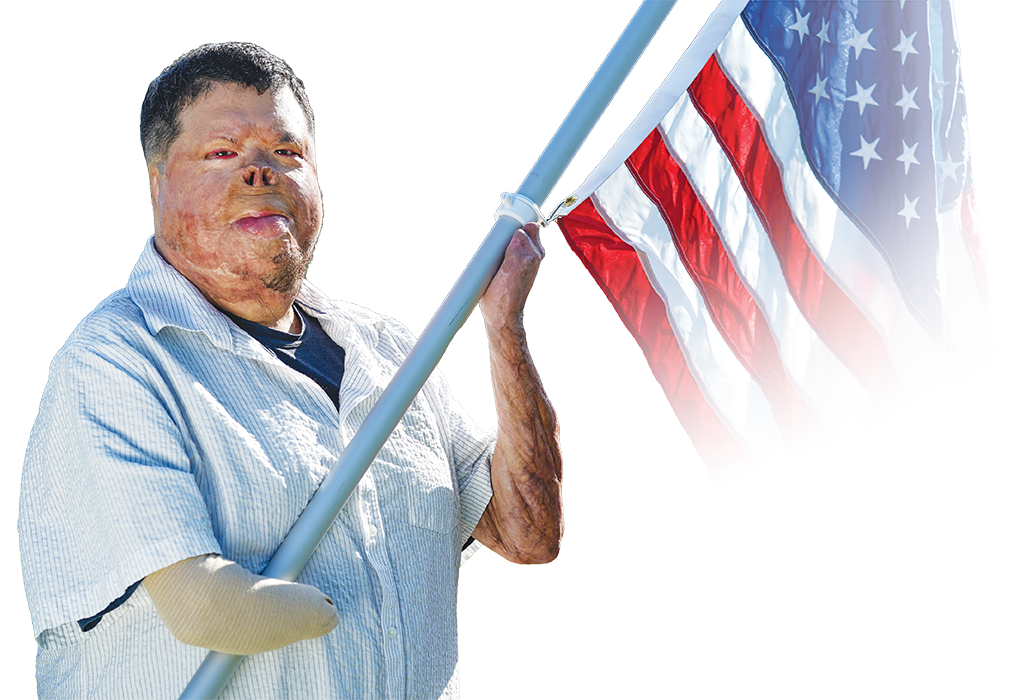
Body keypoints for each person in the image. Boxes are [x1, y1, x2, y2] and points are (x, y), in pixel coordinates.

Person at [19, 42, 562, 699]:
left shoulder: (391, 356)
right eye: (224, 152)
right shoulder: (116, 364)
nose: (260, 172)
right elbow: (206, 608)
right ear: (158, 182)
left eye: (286, 152)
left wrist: (504, 327)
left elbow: (528, 532)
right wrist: (338, 611)